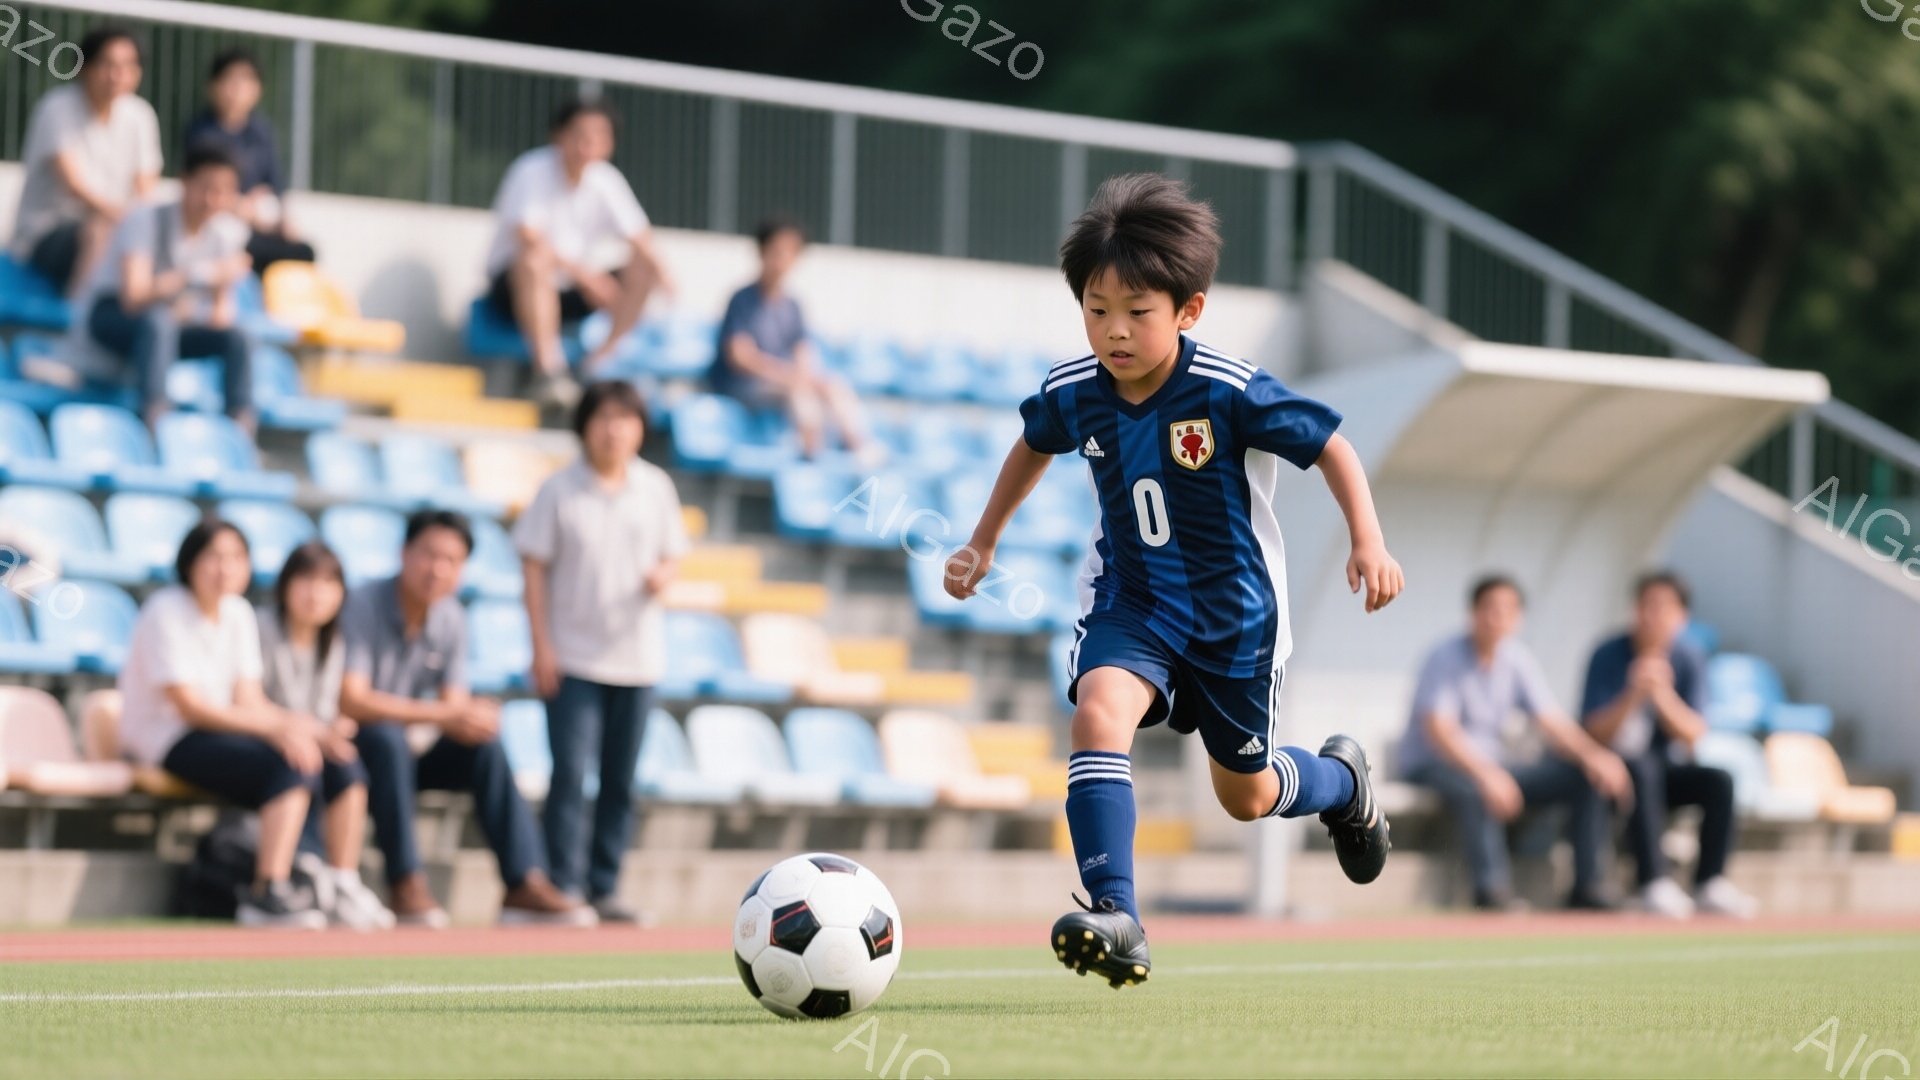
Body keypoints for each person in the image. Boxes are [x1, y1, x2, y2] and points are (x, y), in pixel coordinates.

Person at [943, 173, 1402, 989]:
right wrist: (983, 542)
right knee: (1097, 712)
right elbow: (1031, 445)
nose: (1114, 331)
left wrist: (1368, 539)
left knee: (1246, 797)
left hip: (1234, 620)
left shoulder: (1227, 388)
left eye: (1136, 312)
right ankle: (1118, 915)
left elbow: (1331, 445)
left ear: (1188, 311)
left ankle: (1343, 784)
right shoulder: (1074, 391)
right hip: (1133, 602)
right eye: (1096, 310)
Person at [337, 510, 595, 928]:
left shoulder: (451, 616)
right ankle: (405, 882)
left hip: (409, 751)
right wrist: (448, 713)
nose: (438, 569)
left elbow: (454, 707)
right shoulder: (363, 602)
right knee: (386, 738)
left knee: (484, 745)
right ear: (404, 553)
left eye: (452, 561)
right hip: (356, 749)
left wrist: (473, 719)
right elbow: (352, 700)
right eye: (429, 555)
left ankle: (524, 881)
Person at [116, 520, 371, 929]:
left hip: (218, 731)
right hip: (166, 739)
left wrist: (310, 730)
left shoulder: (237, 612)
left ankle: (341, 882)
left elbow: (250, 699)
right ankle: (268, 889)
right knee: (286, 764)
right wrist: (276, 732)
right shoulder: (165, 610)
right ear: (189, 562)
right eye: (214, 557)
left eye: (236, 558)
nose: (225, 568)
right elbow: (191, 708)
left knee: (339, 760)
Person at [515, 381, 687, 923]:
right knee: (569, 774)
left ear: (640, 429)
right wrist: (540, 646)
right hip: (572, 657)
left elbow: (674, 554)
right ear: (584, 425)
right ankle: (563, 884)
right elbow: (533, 567)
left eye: (625, 418)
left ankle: (604, 885)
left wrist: (663, 574)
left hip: (637, 659)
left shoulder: (655, 487)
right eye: (603, 417)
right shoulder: (558, 490)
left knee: (620, 780)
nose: (614, 430)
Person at [1400, 575, 1632, 912]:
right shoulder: (1444, 656)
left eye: (1507, 610)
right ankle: (1491, 891)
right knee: (1476, 790)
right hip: (1434, 764)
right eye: (1489, 608)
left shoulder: (1516, 659)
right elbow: (1440, 731)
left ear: (1518, 618)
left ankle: (1588, 886)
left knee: (1583, 778)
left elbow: (1551, 720)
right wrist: (1487, 774)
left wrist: (1595, 756)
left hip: (1492, 764)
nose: (1497, 618)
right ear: (1472, 613)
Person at [1581, 571, 1758, 919]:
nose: (1652, 615)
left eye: (1663, 607)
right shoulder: (1607, 653)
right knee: (1642, 769)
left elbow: (1693, 733)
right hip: (1614, 770)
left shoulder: (1689, 657)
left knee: (1719, 781)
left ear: (1681, 616)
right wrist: (1632, 694)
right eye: (1645, 605)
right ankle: (1654, 882)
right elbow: (1593, 731)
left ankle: (1710, 882)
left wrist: (1662, 695)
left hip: (1667, 768)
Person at [483, 98, 674, 408]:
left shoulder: (606, 179)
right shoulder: (531, 169)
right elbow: (529, 236)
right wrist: (588, 278)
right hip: (514, 289)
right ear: (558, 134)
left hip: (570, 292)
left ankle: (598, 363)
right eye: (580, 133)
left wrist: (665, 277)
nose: (589, 142)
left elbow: (640, 236)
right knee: (534, 261)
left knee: (643, 269)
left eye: (600, 134)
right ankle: (548, 371)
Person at [257, 540, 394, 930]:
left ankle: (342, 880)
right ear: (285, 585)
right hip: (263, 736)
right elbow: (251, 701)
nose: (315, 593)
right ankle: (281, 882)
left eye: (328, 583)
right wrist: (312, 730)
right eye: (306, 580)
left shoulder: (333, 640)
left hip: (306, 739)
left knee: (348, 765)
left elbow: (325, 710)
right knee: (302, 761)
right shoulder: (260, 629)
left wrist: (334, 729)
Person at [79, 142, 254, 430]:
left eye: (224, 191)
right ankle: (155, 421)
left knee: (238, 338)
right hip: (112, 315)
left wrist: (224, 282)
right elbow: (133, 297)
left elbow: (220, 319)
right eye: (207, 188)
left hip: (168, 325)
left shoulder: (225, 234)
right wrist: (200, 275)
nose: (213, 200)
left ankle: (240, 430)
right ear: (184, 181)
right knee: (159, 322)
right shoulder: (145, 218)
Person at [8, 25, 162, 294]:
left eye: (128, 65)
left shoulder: (141, 115)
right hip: (46, 236)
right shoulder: (57, 108)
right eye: (107, 64)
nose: (117, 75)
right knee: (99, 229)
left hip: (117, 227)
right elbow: (74, 186)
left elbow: (145, 189)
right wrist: (124, 221)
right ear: (84, 68)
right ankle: (81, 310)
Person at [712, 218, 878, 462]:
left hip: (782, 380)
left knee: (833, 384)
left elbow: (802, 352)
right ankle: (811, 455)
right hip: (744, 385)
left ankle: (860, 447)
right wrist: (787, 376)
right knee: (800, 393)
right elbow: (740, 357)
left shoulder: (793, 305)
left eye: (791, 253)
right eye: (777, 251)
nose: (783, 260)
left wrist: (809, 377)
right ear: (762, 252)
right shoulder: (742, 300)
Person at [182, 49, 316, 273]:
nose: (237, 89)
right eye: (230, 80)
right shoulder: (201, 132)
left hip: (260, 224)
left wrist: (284, 220)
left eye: (246, 80)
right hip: (218, 222)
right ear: (213, 86)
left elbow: (275, 184)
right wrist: (238, 205)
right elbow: (199, 188)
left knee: (304, 252)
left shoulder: (262, 132)